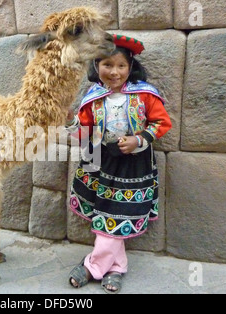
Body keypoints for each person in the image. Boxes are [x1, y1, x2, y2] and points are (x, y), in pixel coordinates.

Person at [65, 34, 172, 294]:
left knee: (116, 211)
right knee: (107, 213)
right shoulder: (93, 97)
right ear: (97, 65)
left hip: (133, 164)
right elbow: (84, 133)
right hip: (99, 160)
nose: (114, 72)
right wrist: (69, 120)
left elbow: (161, 123)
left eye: (121, 66)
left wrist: (138, 139)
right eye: (107, 65)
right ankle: (117, 267)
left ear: (130, 66)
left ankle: (93, 266)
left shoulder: (145, 96)